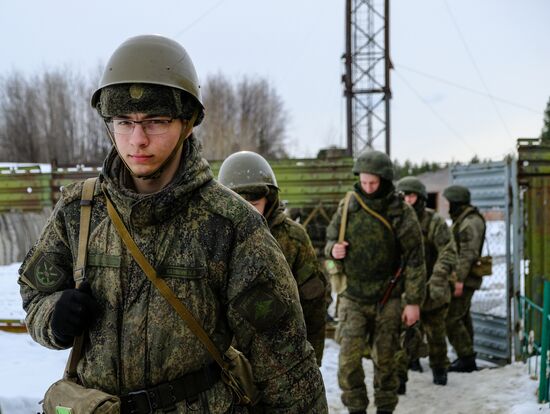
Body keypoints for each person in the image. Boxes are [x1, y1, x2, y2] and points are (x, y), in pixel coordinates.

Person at [18, 34, 327, 413]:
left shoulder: (230, 226)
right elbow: (35, 294)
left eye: (156, 121)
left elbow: (286, 366)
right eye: (123, 122)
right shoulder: (78, 210)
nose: (137, 140)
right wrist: (54, 316)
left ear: (188, 122)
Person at [324, 150, 426, 414]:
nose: (368, 188)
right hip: (352, 297)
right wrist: (333, 251)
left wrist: (413, 302)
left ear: (385, 180)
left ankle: (384, 408)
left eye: (374, 183)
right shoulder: (348, 205)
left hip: (388, 297)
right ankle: (356, 408)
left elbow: (415, 259)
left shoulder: (400, 212)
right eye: (364, 182)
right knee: (348, 362)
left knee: (387, 361)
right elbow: (329, 244)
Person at [218, 151, 328, 366]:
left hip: (281, 356)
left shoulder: (293, 237)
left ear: (269, 199)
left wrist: (312, 362)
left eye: (255, 202)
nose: (248, 211)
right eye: (239, 202)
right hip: (228, 360)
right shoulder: (213, 238)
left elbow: (314, 300)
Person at [394, 176, 458, 392]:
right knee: (403, 337)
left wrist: (438, 279)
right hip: (405, 290)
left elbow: (448, 252)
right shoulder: (394, 221)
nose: (408, 201)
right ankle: (399, 378)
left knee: (436, 334)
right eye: (404, 196)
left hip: (433, 289)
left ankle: (440, 369)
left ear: (420, 198)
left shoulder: (434, 222)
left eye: (412, 196)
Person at [443, 184, 486, 373]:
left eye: (450, 202)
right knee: (462, 316)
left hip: (465, 279)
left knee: (450, 318)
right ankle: (466, 356)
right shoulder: (465, 219)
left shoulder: (470, 222)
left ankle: (466, 358)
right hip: (463, 277)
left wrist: (458, 280)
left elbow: (468, 253)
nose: (448, 206)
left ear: (456, 202)